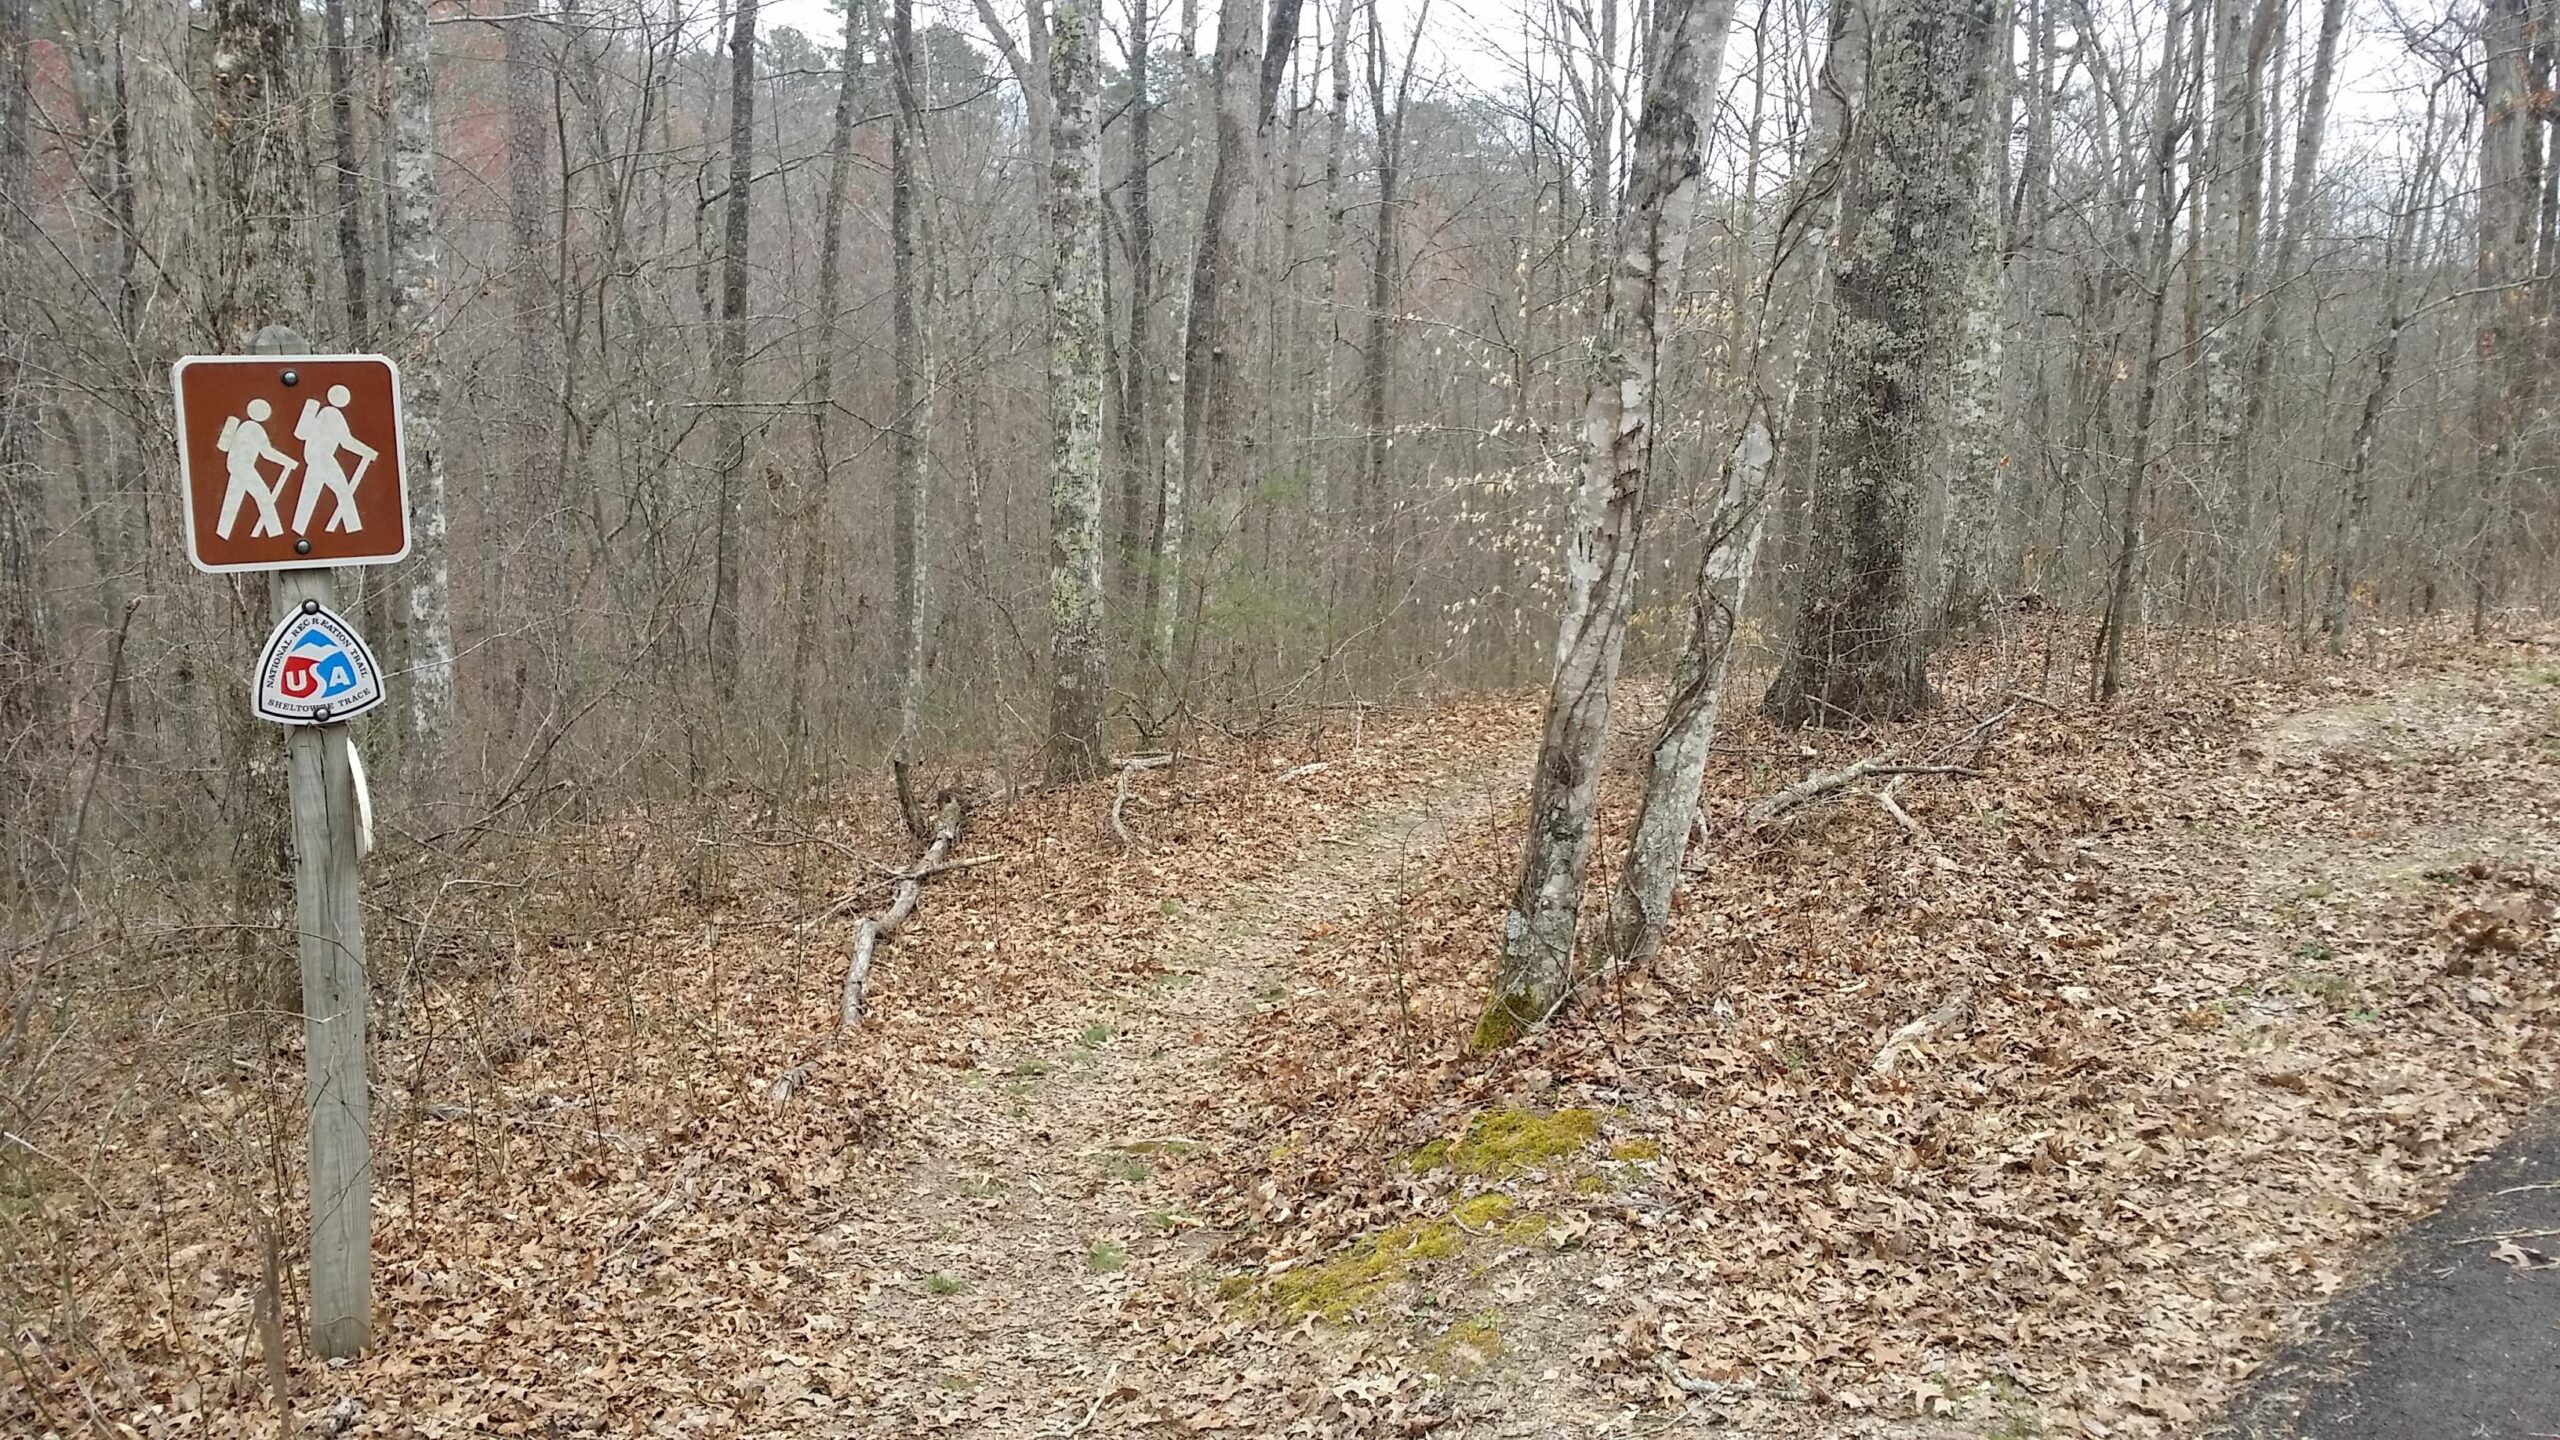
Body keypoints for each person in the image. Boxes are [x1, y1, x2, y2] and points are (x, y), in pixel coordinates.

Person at [292, 384, 377, 534]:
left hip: (313, 460)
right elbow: (346, 442)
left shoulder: (323, 413)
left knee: (308, 495)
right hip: (324, 460)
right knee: (343, 492)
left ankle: (297, 530)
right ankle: (353, 529)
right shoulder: (334, 415)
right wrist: (368, 452)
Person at [214, 397, 295, 540]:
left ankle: (222, 534)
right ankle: (275, 534)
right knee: (264, 497)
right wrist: (288, 462)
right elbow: (266, 452)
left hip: (235, 467)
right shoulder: (254, 428)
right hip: (244, 468)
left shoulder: (244, 426)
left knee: (231, 503)